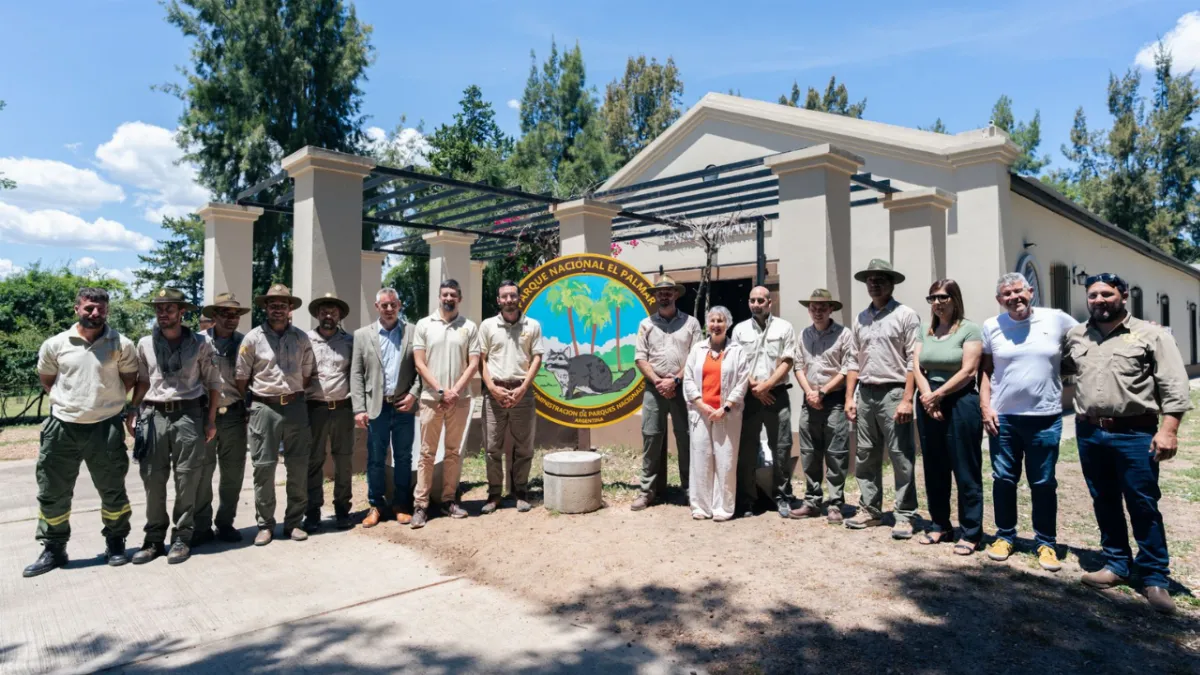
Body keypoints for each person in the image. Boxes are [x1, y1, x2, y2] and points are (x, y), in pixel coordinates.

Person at [1063, 273, 1191, 615]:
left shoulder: (1151, 335)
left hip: (1135, 433)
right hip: (1090, 432)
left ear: (1123, 296)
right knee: (1103, 499)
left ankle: (1154, 577)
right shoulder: (1077, 334)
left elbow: (1175, 386)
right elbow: (1062, 366)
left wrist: (1169, 430)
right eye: (1093, 295)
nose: (1099, 300)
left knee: (1143, 503)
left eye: (1106, 294)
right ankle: (1117, 564)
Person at [23, 288, 139, 578]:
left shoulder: (121, 344)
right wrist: (72, 404)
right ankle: (54, 548)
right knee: (53, 492)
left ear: (107, 310)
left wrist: (102, 404)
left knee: (112, 490)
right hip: (62, 427)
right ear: (77, 309)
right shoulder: (56, 344)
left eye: (100, 308)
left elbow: (129, 379)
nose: (94, 313)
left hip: (106, 428)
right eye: (88, 308)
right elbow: (48, 380)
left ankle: (115, 543)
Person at [980, 273, 1077, 570]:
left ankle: (1045, 542)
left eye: (1018, 291)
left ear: (1030, 291)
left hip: (1045, 418)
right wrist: (986, 406)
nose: (1014, 298)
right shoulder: (992, 326)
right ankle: (1005, 536)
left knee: (1043, 482)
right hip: (1004, 418)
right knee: (1004, 480)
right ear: (999, 300)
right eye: (1006, 294)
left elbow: (1091, 337)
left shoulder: (1057, 319)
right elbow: (984, 371)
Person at [126, 289, 221, 565]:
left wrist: (211, 419)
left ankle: (182, 537)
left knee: (187, 478)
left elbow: (214, 382)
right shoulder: (144, 343)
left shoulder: (201, 343)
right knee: (153, 478)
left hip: (189, 413)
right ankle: (154, 539)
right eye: (159, 308)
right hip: (154, 414)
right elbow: (143, 380)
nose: (163, 313)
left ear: (182, 312)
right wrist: (133, 410)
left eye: (170, 308)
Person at [844, 259, 921, 539]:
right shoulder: (861, 318)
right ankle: (870, 509)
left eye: (880, 279)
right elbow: (853, 359)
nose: (874, 283)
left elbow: (914, 359)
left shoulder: (905, 315)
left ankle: (904, 514)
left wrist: (907, 399)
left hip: (894, 392)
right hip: (865, 392)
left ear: (892, 283)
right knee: (865, 453)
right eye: (870, 279)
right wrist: (850, 397)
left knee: (901, 456)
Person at [235, 284, 316, 546]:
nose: (278, 309)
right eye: (273, 304)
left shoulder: (302, 338)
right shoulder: (252, 339)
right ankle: (265, 525)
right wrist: (257, 402)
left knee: (298, 465)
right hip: (264, 406)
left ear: (290, 308)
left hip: (295, 405)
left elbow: (306, 374)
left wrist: (290, 393)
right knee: (263, 467)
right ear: (265, 307)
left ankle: (294, 522)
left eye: (283, 304)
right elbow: (241, 377)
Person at [911, 280, 983, 555]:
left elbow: (968, 371)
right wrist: (927, 396)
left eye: (943, 297)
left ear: (955, 299)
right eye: (932, 298)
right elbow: (917, 365)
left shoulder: (969, 329)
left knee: (965, 468)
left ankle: (971, 532)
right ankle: (940, 524)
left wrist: (938, 394)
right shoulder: (925, 330)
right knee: (934, 467)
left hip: (960, 402)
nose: (938, 303)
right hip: (929, 402)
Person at [412, 279, 481, 529]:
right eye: (444, 294)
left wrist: (454, 392)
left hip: (459, 401)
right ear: (439, 297)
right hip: (432, 399)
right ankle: (421, 505)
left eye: (453, 294)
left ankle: (449, 500)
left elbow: (473, 363)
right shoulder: (424, 325)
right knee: (427, 453)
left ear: (459, 298)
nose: (448, 298)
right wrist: (441, 391)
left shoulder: (469, 327)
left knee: (453, 452)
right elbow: (420, 363)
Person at [632, 276, 703, 511]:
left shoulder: (691, 323)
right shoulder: (646, 325)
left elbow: (696, 356)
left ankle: (690, 489)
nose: (664, 296)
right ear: (655, 296)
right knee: (651, 437)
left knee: (686, 438)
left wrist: (675, 380)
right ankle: (649, 490)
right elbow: (640, 357)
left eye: (668, 292)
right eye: (660, 292)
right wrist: (659, 381)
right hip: (654, 389)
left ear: (676, 295)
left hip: (684, 388)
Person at [351, 288, 421, 527]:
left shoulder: (413, 332)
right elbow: (356, 374)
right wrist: (359, 408)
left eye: (393, 304)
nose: (389, 309)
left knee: (403, 457)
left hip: (403, 406)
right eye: (384, 305)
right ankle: (376, 505)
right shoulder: (362, 335)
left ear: (399, 305)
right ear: (376, 307)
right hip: (375, 407)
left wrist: (414, 394)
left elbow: (422, 368)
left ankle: (401, 504)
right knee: (375, 459)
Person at [731, 286, 799, 518]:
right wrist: (755, 388)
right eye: (752, 300)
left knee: (781, 446)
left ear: (770, 302)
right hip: (748, 396)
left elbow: (788, 360)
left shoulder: (784, 327)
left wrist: (767, 385)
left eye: (761, 300)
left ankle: (781, 496)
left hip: (776, 395)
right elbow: (736, 363)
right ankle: (748, 499)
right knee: (747, 448)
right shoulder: (739, 330)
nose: (756, 304)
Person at [479, 280, 544, 514]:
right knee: (492, 448)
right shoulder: (487, 326)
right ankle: (494, 494)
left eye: (512, 296)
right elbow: (481, 360)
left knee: (524, 447)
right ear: (498, 300)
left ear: (519, 298)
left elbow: (537, 357)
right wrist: (492, 388)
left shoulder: (532, 325)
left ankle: (521, 492)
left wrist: (523, 388)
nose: (509, 300)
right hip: (494, 394)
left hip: (522, 393)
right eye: (504, 296)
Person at [792, 289, 855, 524]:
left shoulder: (843, 334)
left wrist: (823, 391)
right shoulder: (804, 335)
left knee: (836, 454)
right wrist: (809, 392)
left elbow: (847, 367)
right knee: (809, 453)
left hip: (834, 400)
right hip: (809, 400)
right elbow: (798, 365)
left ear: (831, 309)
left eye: (822, 307)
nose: (817, 312)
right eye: (813, 308)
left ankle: (836, 503)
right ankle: (812, 500)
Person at [683, 306, 751, 521]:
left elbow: (742, 382)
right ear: (707, 324)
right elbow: (688, 380)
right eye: (712, 321)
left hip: (727, 414)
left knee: (725, 460)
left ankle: (723, 507)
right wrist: (702, 405)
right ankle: (701, 507)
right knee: (701, 458)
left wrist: (726, 407)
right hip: (701, 413)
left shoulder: (737, 351)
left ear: (728, 324)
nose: (716, 325)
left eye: (720, 321)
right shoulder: (697, 349)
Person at [195, 293, 252, 544]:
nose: (231, 319)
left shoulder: (245, 343)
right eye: (225, 314)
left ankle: (225, 522)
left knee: (232, 474)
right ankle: (201, 526)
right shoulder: (197, 342)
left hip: (234, 415)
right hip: (203, 415)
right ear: (214, 315)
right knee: (202, 474)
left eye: (235, 315)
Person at [305, 293, 355, 532]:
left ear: (340, 316)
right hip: (314, 408)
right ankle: (312, 511)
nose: (328, 316)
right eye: (324, 311)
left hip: (342, 408)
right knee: (314, 461)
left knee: (343, 460)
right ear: (317, 314)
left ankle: (343, 509)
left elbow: (357, 375)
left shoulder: (350, 342)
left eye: (333, 312)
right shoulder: (305, 340)